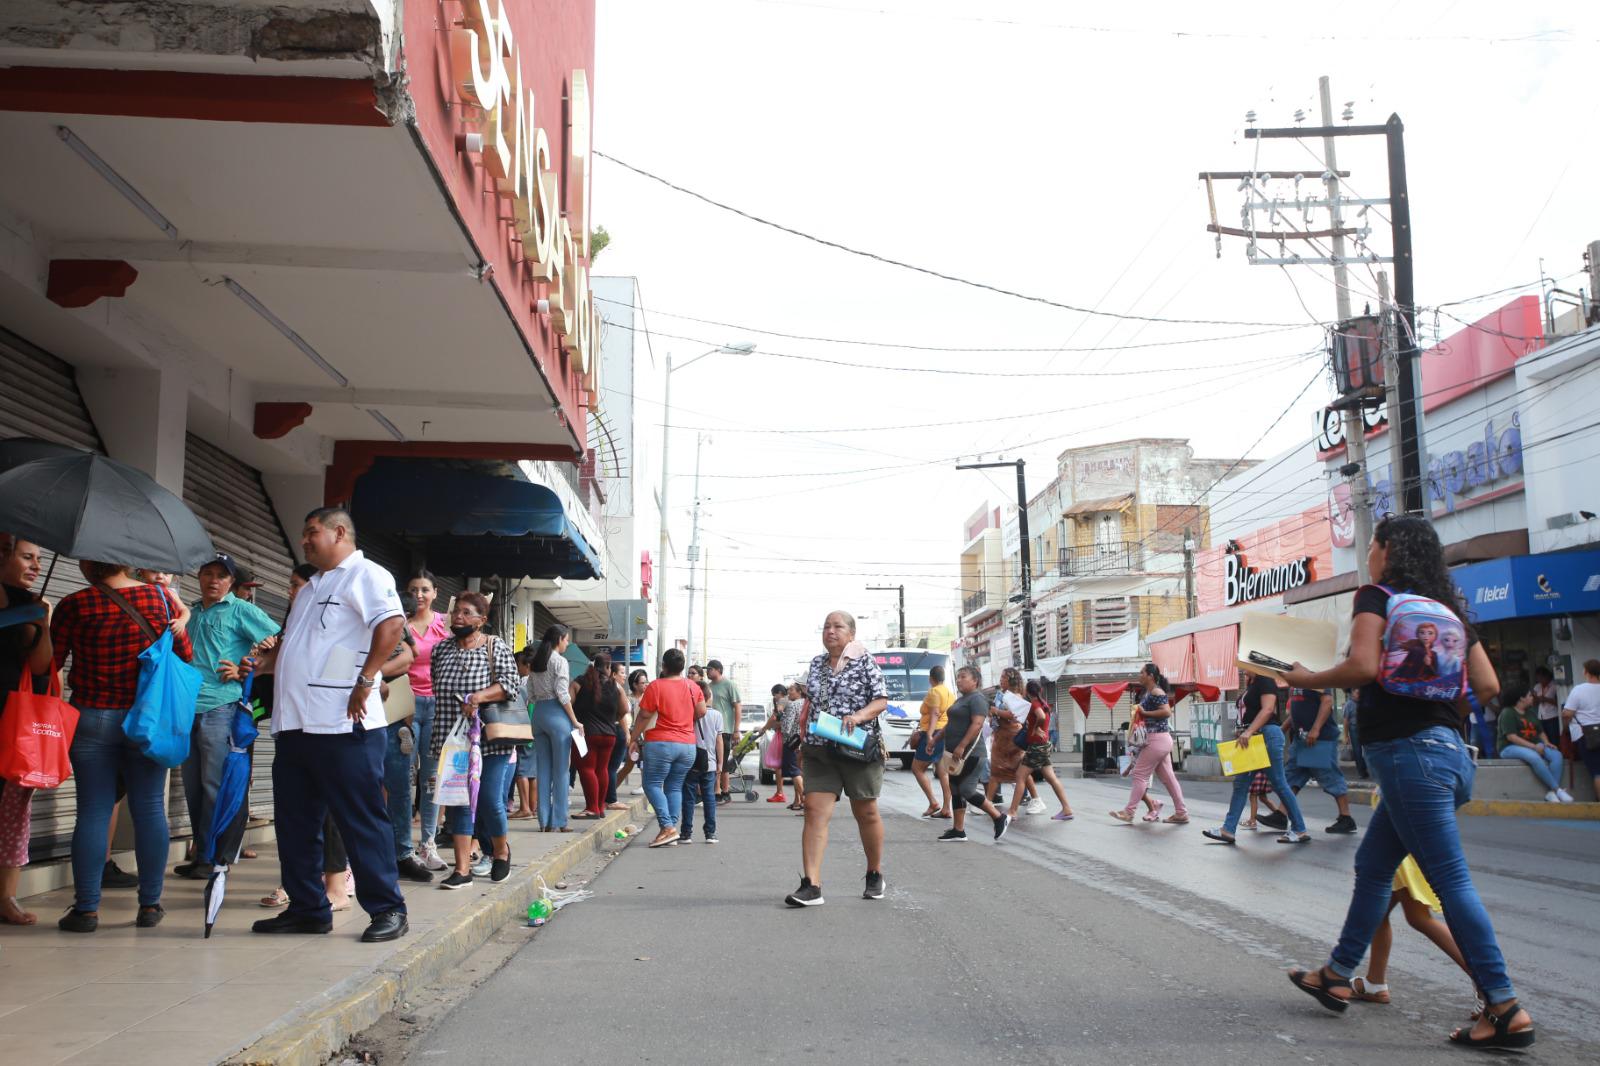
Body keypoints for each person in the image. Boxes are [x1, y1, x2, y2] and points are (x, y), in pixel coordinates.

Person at [1283, 514, 1531, 1049]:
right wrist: (1438, 707)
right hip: (1449, 755)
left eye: (1371, 544)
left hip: (1406, 755)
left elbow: (1364, 667)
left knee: (1450, 881)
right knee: (1373, 866)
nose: (1368, 553)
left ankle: (1505, 1006)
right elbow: (1486, 685)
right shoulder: (1449, 611)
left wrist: (1306, 678)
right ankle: (1337, 975)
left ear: (1388, 549)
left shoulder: (1377, 597)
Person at [250, 507, 408, 943]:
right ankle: (307, 908)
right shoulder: (311, 587)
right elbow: (306, 646)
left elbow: (392, 625)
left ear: (340, 532)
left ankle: (388, 909)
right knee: (296, 823)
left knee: (361, 819)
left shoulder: (367, 575)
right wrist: (269, 663)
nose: (304, 540)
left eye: (311, 533)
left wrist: (366, 678)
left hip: (344, 723)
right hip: (296, 724)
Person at [50, 560, 195, 931]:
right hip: (146, 718)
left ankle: (86, 910)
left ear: (85, 562)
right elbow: (185, 655)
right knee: (148, 807)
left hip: (92, 716)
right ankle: (149, 905)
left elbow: (51, 662)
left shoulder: (74, 604)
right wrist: (180, 617)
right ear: (126, 560)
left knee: (94, 812)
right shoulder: (159, 599)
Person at [175, 553, 280, 880]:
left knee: (214, 786)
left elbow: (281, 642)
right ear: (199, 576)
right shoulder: (189, 611)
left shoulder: (242, 610)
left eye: (222, 575)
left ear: (232, 582)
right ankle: (201, 853)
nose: (214, 580)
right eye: (208, 573)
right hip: (187, 707)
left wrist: (248, 666)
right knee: (193, 787)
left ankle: (214, 857)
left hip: (223, 707)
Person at [785, 611, 889, 907]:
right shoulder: (816, 664)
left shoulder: (865, 661)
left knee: (866, 811)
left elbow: (881, 700)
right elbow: (811, 704)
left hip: (856, 747)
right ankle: (812, 885)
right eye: (827, 626)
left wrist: (857, 717)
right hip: (820, 748)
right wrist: (800, 737)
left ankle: (874, 873)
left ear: (851, 633)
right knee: (814, 812)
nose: (831, 631)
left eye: (838, 626)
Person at [427, 591, 519, 888]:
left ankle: (501, 850)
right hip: (452, 740)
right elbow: (435, 686)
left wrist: (478, 696)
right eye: (456, 612)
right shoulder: (441, 650)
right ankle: (463, 869)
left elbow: (510, 685)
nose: (459, 617)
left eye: (467, 613)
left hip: (490, 740)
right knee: (458, 802)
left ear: (482, 620)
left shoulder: (495, 646)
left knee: (491, 799)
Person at [0, 535, 53, 925]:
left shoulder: (33, 605)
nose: (35, 566)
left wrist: (43, 624)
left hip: (15, 719)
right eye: (27, 557)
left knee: (14, 808)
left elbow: (40, 667)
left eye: (38, 559)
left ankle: (6, 897)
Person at [1203, 670, 1310, 845]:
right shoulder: (1253, 683)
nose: (1242, 668)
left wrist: (1249, 730)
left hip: (1266, 736)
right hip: (1253, 739)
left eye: (1245, 662)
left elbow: (1268, 709)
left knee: (1279, 783)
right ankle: (1228, 830)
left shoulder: (1265, 679)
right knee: (1241, 784)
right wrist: (1245, 730)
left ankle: (1299, 829)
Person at [627, 648, 704, 848]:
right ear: (682, 667)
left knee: (652, 784)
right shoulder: (693, 687)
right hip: (687, 745)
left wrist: (633, 738)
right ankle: (670, 830)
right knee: (674, 786)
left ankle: (667, 827)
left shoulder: (656, 686)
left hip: (661, 743)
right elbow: (701, 711)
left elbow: (644, 715)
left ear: (664, 666)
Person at [403, 570, 451, 870]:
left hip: (436, 706)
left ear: (435, 592)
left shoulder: (444, 625)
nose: (418, 595)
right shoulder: (400, 624)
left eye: (424, 590)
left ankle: (428, 845)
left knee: (432, 779)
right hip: (404, 707)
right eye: (413, 589)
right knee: (403, 777)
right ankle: (402, 848)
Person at [929, 665, 1009, 843]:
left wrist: (962, 745)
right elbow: (950, 725)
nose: (959, 680)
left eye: (963, 677)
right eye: (958, 677)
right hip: (954, 754)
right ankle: (958, 830)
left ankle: (998, 817)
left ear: (975, 680)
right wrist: (935, 740)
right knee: (955, 789)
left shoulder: (977, 699)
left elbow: (977, 724)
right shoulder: (961, 699)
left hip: (971, 754)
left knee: (966, 789)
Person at [1111, 663, 1187, 824]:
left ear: (1150, 676)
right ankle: (1181, 812)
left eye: (1141, 673)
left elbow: (1167, 711)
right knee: (1169, 778)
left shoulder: (1156, 691)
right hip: (1159, 739)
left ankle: (1129, 812)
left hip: (1156, 739)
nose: (1139, 676)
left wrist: (1145, 713)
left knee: (1139, 775)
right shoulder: (1149, 692)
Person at [527, 625, 582, 830]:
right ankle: (559, 820)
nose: (567, 643)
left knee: (543, 769)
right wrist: (575, 721)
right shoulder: (560, 661)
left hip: (539, 714)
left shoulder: (536, 661)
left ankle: (543, 820)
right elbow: (562, 694)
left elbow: (530, 693)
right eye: (566, 640)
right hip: (557, 715)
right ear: (559, 639)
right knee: (561, 771)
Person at [1283, 686, 1358, 833]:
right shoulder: (1296, 681)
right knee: (1292, 776)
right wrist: (1283, 728)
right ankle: (1281, 813)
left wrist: (1316, 728)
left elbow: (1327, 701)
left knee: (1330, 775)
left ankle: (1346, 817)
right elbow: (1296, 710)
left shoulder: (1315, 674)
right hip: (1302, 738)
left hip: (1320, 738)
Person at [1004, 674, 1074, 821]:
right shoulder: (1043, 703)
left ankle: (1012, 811)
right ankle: (1066, 809)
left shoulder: (1035, 704)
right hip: (1044, 745)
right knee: (1051, 778)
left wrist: (1035, 728)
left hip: (1037, 746)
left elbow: (1041, 717)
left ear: (1027, 692)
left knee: (1020, 776)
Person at [1495, 682, 1572, 803]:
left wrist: (1546, 742)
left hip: (1534, 745)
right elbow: (1511, 737)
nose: (1532, 698)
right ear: (1521, 698)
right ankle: (1557, 790)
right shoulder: (1507, 713)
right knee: (1534, 757)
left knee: (1557, 755)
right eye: (1530, 695)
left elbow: (1540, 731)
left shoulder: (1530, 713)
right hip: (1509, 747)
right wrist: (1534, 747)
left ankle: (1551, 793)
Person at [572, 652, 624, 818]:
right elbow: (625, 709)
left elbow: (566, 702)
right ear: (608, 668)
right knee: (602, 769)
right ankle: (600, 807)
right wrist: (613, 718)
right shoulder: (615, 685)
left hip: (586, 733)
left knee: (587, 768)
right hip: (610, 734)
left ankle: (591, 808)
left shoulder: (580, 682)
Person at [680, 688, 723, 845]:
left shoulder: (688, 714)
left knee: (689, 797)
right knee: (709, 797)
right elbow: (719, 741)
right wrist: (720, 762)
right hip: (709, 762)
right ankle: (710, 833)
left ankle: (686, 833)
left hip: (690, 759)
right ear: (709, 696)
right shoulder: (717, 715)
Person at [910, 666, 954, 817]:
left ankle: (933, 802)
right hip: (945, 732)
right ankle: (947, 808)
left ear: (931, 678)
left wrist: (929, 736)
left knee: (917, 768)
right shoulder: (949, 693)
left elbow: (935, 713)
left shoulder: (934, 691)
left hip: (934, 732)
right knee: (943, 772)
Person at [1561, 658, 1600, 800]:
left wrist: (1565, 726)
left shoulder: (1579, 690)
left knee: (1597, 772)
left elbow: (1568, 713)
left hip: (1587, 736)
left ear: (1586, 672)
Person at [706, 659, 741, 802]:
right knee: (713, 761)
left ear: (718, 670)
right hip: (710, 728)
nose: (707, 672)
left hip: (725, 729)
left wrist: (736, 730)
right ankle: (716, 790)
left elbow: (738, 707)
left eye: (710, 669)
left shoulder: (729, 685)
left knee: (723, 761)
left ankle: (723, 791)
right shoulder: (708, 687)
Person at [603, 660, 633, 810]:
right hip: (617, 730)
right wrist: (627, 733)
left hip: (608, 730)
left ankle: (606, 798)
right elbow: (621, 713)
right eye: (622, 672)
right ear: (613, 674)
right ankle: (611, 799)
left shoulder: (608, 688)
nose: (625, 675)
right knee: (612, 767)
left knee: (607, 767)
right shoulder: (616, 689)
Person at [1531, 666, 1561, 745]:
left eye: (1541, 678)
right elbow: (1533, 703)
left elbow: (1559, 702)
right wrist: (1535, 698)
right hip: (1541, 717)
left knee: (1554, 738)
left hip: (1552, 716)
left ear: (1546, 676)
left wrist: (1546, 699)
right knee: (1544, 739)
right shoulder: (1537, 687)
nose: (1540, 680)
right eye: (1538, 678)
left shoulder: (1555, 686)